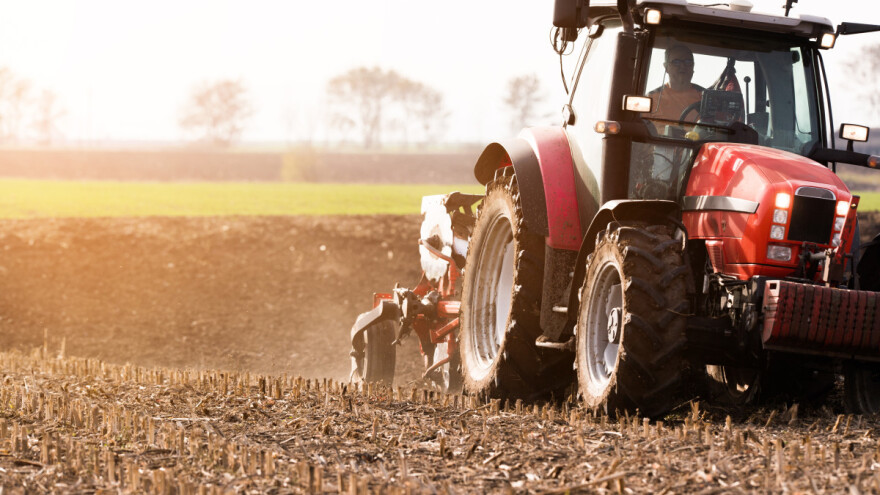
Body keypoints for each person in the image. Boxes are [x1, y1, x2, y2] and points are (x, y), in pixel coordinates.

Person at [648, 44, 704, 121]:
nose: (683, 66)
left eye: (688, 61)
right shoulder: (652, 98)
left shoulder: (706, 98)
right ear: (666, 67)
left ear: (693, 65)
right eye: (676, 62)